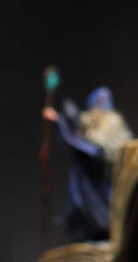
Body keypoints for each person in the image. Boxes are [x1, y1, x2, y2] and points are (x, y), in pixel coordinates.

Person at [43, 86, 133, 242]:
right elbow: (76, 139)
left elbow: (85, 145)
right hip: (89, 189)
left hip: (103, 188)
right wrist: (59, 121)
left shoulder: (109, 128)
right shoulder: (89, 127)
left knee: (103, 214)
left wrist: (59, 122)